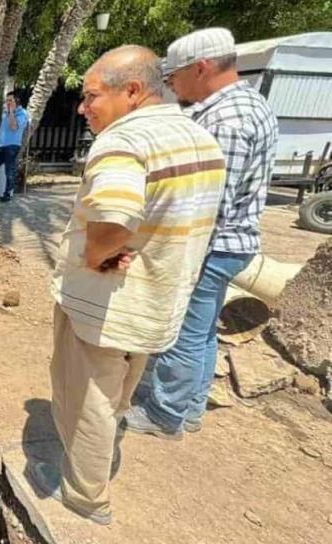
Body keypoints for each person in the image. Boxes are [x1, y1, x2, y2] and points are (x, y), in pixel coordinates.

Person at [27, 45, 226, 526]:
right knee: (115, 398)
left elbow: (113, 220)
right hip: (157, 302)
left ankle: (85, 497)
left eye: (91, 95)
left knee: (87, 404)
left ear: (132, 91)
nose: (81, 107)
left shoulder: (122, 141)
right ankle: (96, 467)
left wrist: (97, 255)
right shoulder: (200, 139)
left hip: (105, 307)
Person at [126, 28, 279, 439]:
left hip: (212, 244)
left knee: (182, 330)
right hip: (232, 244)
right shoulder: (245, 104)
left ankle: (165, 413)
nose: (172, 87)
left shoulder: (227, 119)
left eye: (174, 78)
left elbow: (209, 201)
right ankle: (190, 408)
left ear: (202, 68)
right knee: (203, 329)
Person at [0, 92, 29, 201]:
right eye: (7, 100)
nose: (7, 102)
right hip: (1, 146)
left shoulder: (22, 114)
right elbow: (4, 129)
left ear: (17, 101)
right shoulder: (6, 113)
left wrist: (11, 111)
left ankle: (7, 194)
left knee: (9, 171)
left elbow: (13, 127)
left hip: (12, 146)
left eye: (10, 100)